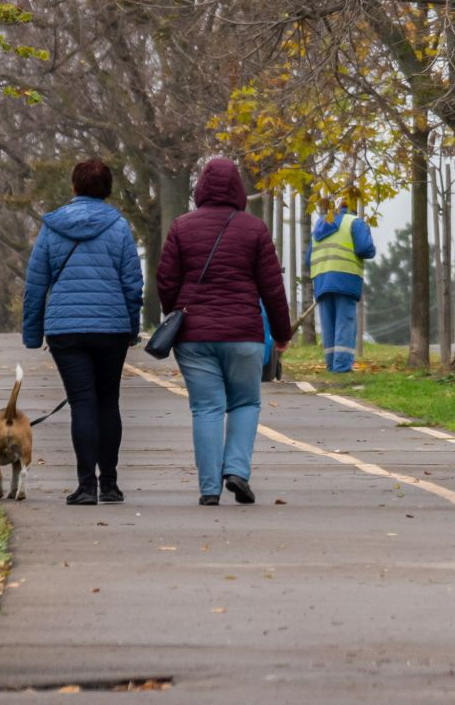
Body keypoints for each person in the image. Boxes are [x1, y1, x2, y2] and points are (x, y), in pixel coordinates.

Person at [158, 157, 292, 506]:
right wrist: (282, 333)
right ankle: (236, 470)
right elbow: (272, 288)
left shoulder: (181, 227)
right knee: (245, 402)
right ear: (238, 189)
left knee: (206, 408)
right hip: (244, 334)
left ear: (200, 188)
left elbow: (166, 281)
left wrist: (175, 312)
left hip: (193, 336)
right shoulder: (255, 229)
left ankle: (208, 489)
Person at [21, 160, 143, 506]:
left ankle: (87, 486)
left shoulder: (52, 227)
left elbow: (36, 285)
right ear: (108, 189)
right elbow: (132, 283)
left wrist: (32, 333)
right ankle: (111, 485)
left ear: (74, 187)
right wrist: (131, 327)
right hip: (111, 328)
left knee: (82, 403)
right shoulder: (118, 227)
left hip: (66, 328)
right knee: (108, 401)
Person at [307, 202, 375, 373]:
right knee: (345, 323)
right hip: (345, 278)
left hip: (322, 280)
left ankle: (331, 364)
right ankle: (342, 366)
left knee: (328, 324)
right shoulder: (354, 222)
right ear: (352, 208)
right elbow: (365, 249)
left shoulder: (320, 224)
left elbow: (308, 258)